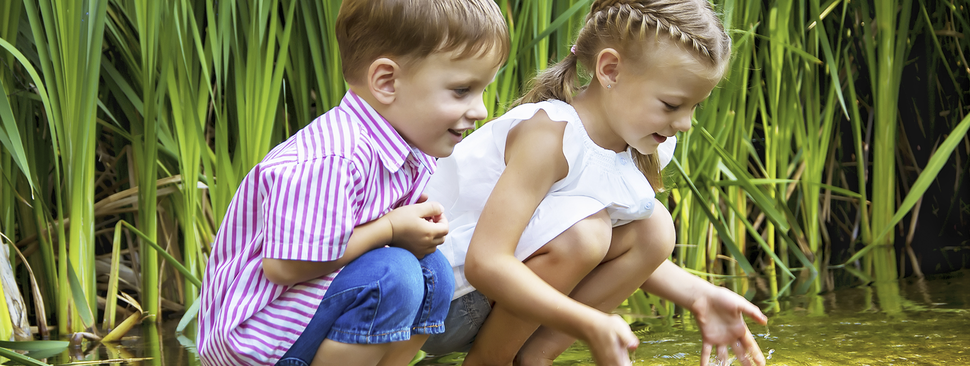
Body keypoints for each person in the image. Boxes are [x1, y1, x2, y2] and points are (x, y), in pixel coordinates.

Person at [420, 0, 767, 365]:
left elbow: (619, 253)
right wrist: (589, 323)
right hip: (446, 300)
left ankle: (533, 358)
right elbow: (485, 263)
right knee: (587, 234)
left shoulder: (637, 144)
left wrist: (699, 295)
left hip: (500, 298)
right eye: (670, 105)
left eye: (694, 107)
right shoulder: (550, 137)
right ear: (610, 70)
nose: (685, 123)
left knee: (656, 229)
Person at [195, 1, 509, 365]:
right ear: (387, 82)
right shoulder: (334, 158)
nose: (481, 110)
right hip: (259, 341)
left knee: (434, 272)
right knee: (395, 275)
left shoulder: (404, 149)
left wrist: (411, 229)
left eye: (483, 91)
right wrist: (391, 228)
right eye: (461, 91)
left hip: (309, 317)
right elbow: (284, 266)